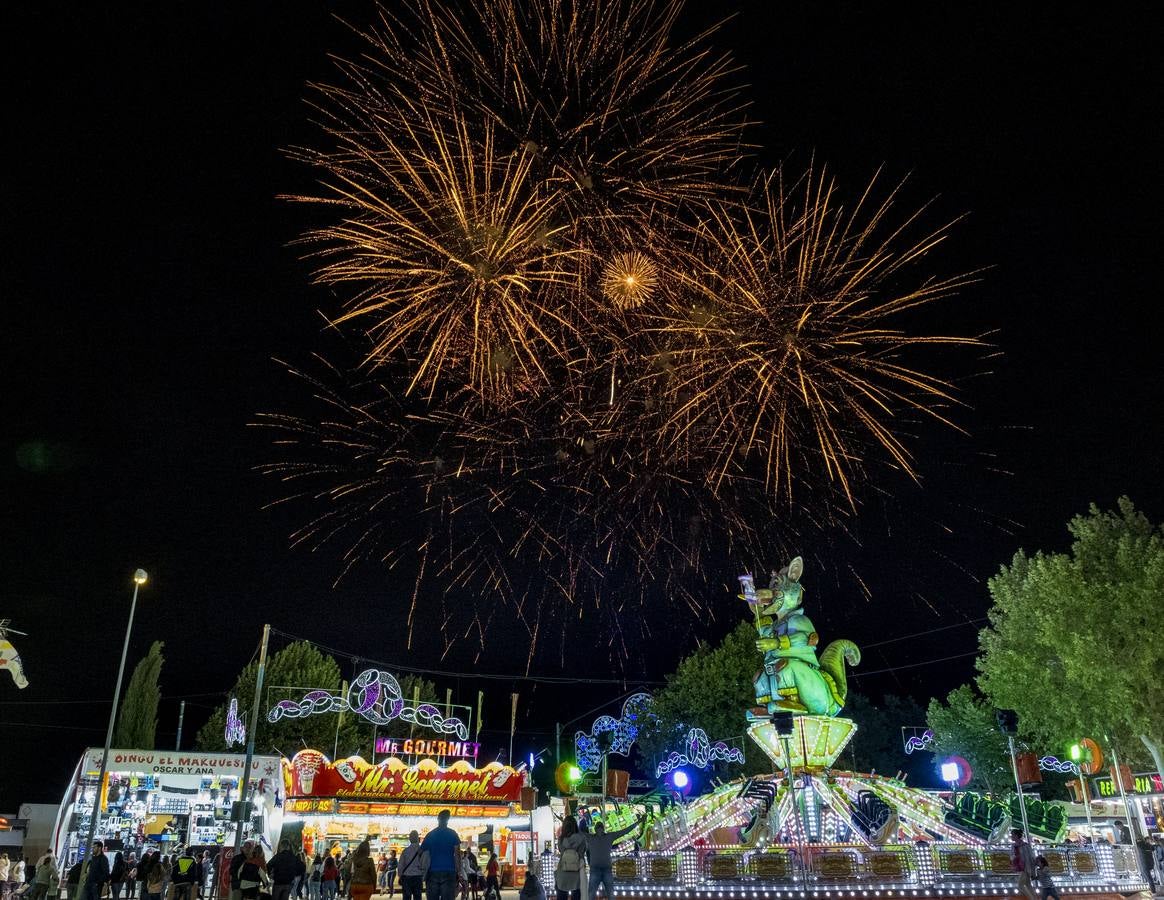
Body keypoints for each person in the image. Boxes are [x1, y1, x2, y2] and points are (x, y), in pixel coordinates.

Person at [584, 817, 644, 900]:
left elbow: (577, 831)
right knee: (608, 893)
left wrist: (638, 822)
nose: (599, 830)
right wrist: (638, 822)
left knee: (593, 894)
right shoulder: (608, 836)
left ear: (595, 829)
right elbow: (625, 831)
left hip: (598, 869)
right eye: (599, 828)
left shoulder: (592, 837)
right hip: (603, 869)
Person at [420, 811, 460, 900]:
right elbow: (457, 855)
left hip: (432, 871)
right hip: (449, 871)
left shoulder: (430, 834)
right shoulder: (453, 834)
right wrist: (459, 872)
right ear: (448, 819)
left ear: (438, 819)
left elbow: (420, 852)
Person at [554, 817, 587, 900]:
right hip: (577, 872)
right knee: (576, 895)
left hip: (563, 871)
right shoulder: (582, 838)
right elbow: (582, 853)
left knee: (561, 895)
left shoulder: (561, 839)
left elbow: (561, 850)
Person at [397, 833, 426, 900]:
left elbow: (400, 865)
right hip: (418, 877)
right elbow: (424, 864)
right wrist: (424, 876)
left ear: (410, 839)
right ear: (418, 839)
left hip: (407, 877)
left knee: (406, 897)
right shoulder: (422, 851)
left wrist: (400, 875)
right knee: (417, 897)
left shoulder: (405, 851)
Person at [1011, 829, 1036, 900]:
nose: (1011, 836)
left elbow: (1031, 857)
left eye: (1012, 835)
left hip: (1025, 868)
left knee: (1020, 885)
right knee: (1028, 885)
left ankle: (1032, 898)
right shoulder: (1014, 846)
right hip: (1021, 867)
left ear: (1016, 836)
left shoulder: (1024, 845)